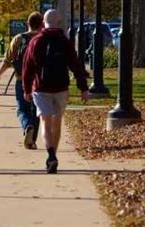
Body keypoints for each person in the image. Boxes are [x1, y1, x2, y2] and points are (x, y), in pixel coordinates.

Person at [22, 9, 89, 174]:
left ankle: (50, 154)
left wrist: (26, 89)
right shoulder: (65, 42)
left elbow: (27, 67)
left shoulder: (36, 41)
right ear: (59, 23)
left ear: (44, 23)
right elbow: (76, 65)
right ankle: (54, 154)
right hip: (61, 88)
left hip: (41, 87)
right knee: (57, 122)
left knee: (45, 122)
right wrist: (83, 87)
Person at [0, 11, 43, 149]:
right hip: (39, 81)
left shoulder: (18, 39)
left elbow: (8, 60)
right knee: (36, 110)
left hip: (21, 79)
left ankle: (27, 126)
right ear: (41, 24)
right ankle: (32, 140)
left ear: (28, 24)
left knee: (22, 109)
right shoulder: (43, 39)